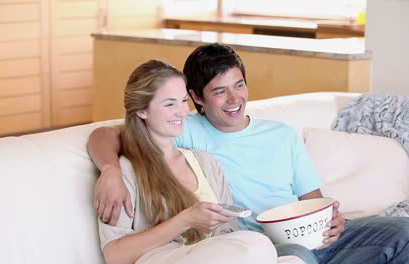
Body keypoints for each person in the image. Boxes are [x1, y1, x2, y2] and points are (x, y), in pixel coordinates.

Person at [89, 44, 409, 264]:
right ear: (198, 97)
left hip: (308, 237)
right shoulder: (184, 129)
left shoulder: (279, 135)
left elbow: (313, 199)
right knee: (295, 258)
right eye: (219, 92)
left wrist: (332, 219)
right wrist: (109, 170)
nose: (234, 99)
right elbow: (107, 133)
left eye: (239, 85)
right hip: (268, 247)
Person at [96, 59, 282, 264]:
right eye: (169, 104)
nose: (182, 111)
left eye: (184, 101)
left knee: (290, 260)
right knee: (257, 245)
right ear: (141, 111)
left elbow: (229, 234)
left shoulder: (205, 163)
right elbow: (114, 255)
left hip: (222, 257)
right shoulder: (126, 173)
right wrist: (186, 220)